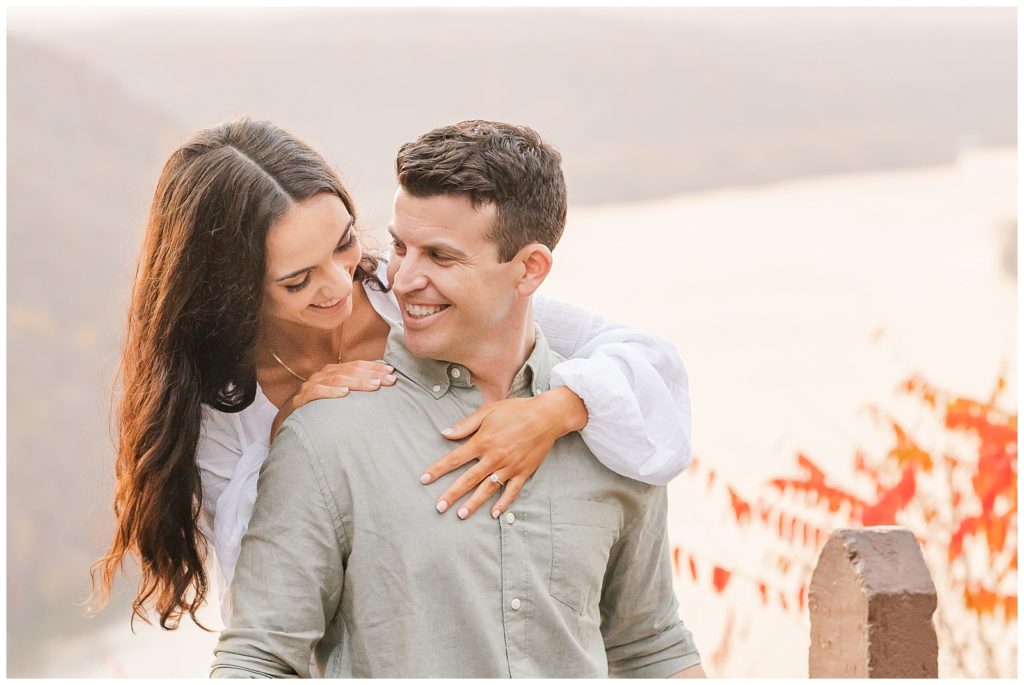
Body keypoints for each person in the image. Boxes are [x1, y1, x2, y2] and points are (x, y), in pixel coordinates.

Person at [90, 118, 693, 632]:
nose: (336, 286)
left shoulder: (408, 298)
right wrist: (292, 431)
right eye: (297, 280)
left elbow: (644, 360)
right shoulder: (215, 408)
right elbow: (260, 600)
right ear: (229, 288)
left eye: (345, 244)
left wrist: (552, 411)